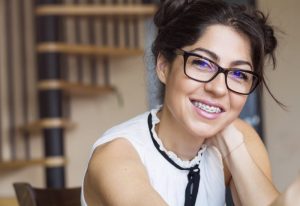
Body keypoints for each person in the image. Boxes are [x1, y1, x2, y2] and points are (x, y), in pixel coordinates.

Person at [81, 0, 282, 205]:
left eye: (239, 74)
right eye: (202, 63)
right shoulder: (116, 156)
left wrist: (232, 145)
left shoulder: (239, 138)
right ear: (163, 66)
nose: (219, 88)